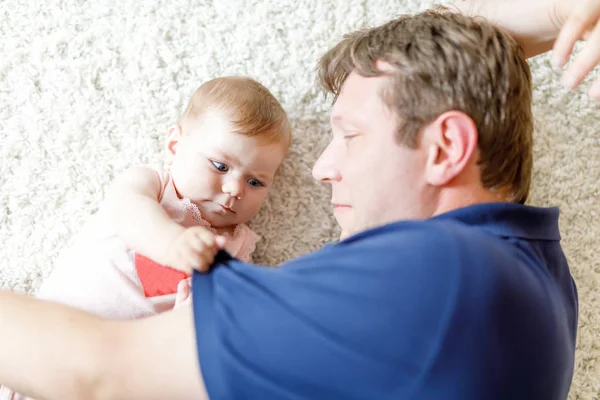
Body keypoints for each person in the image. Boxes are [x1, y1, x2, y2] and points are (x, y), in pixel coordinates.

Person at [0, 1, 597, 399]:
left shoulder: (436, 275)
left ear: (445, 147)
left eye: (350, 136)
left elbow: (94, 369)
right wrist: (543, 16)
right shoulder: (538, 280)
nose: (320, 168)